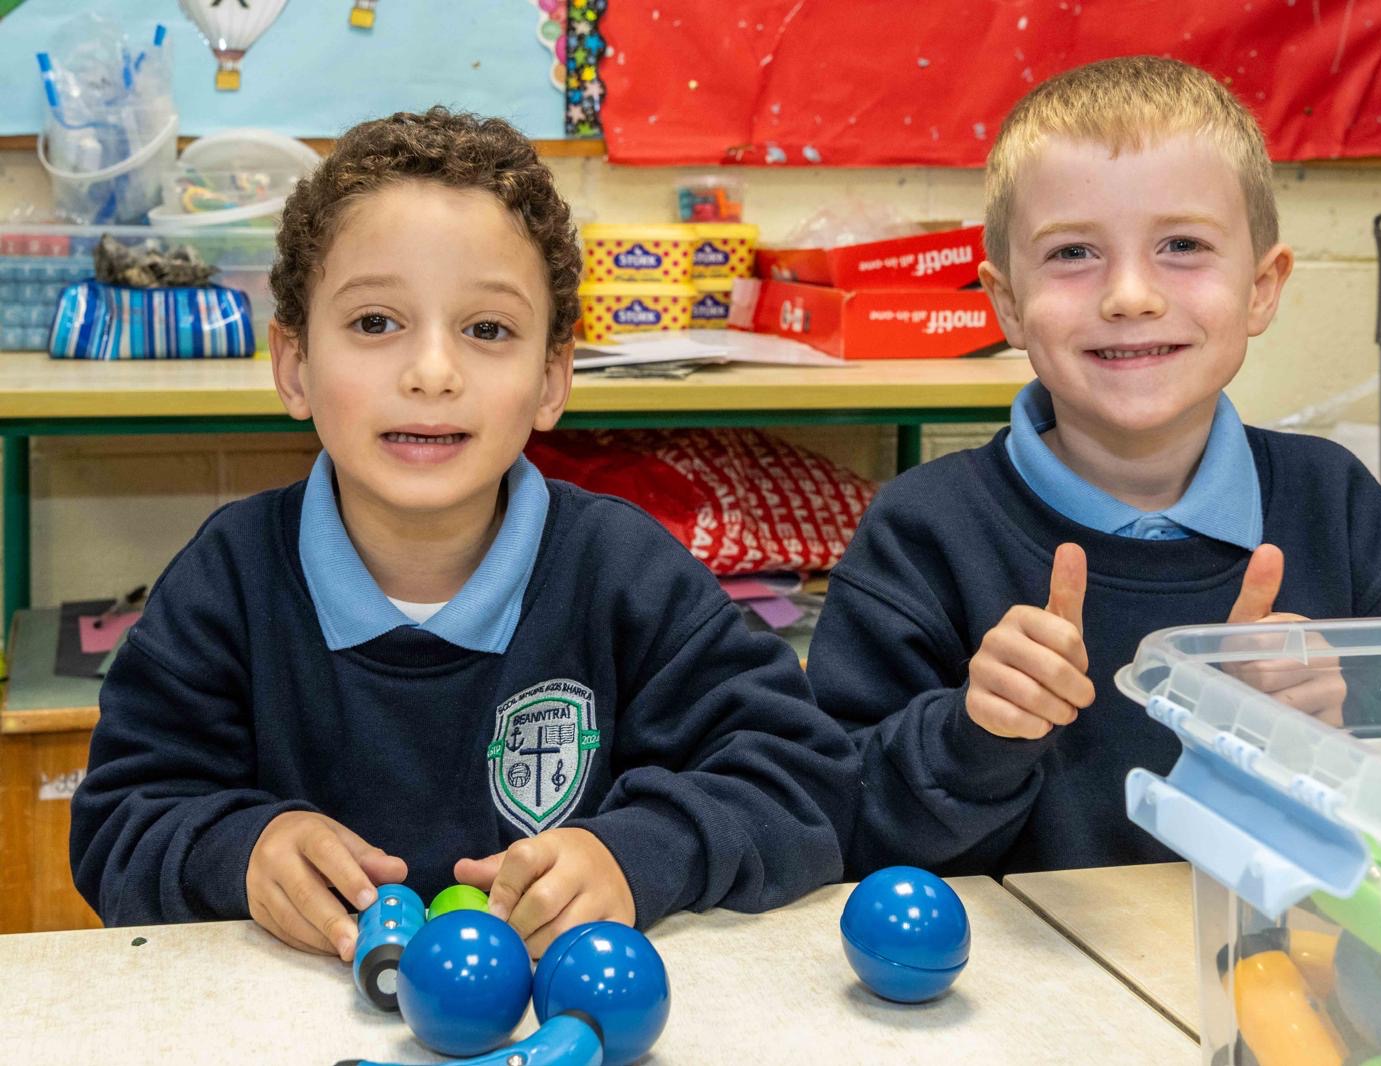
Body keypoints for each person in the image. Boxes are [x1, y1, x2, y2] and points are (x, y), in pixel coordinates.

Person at [71, 107, 857, 959]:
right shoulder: (228, 580)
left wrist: (635, 855)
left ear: (552, 378)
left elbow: (806, 784)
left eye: (487, 330)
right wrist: (240, 853)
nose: (432, 374)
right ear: (294, 364)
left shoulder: (624, 574)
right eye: (375, 322)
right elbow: (118, 825)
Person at [806, 57, 1381, 879]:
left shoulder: (1347, 516)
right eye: (1074, 251)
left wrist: (1338, 732)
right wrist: (971, 735)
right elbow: (835, 821)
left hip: (1286, 955)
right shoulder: (923, 534)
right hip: (1013, 963)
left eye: (1183, 245)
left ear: (1261, 287)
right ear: (1008, 305)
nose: (1131, 295)